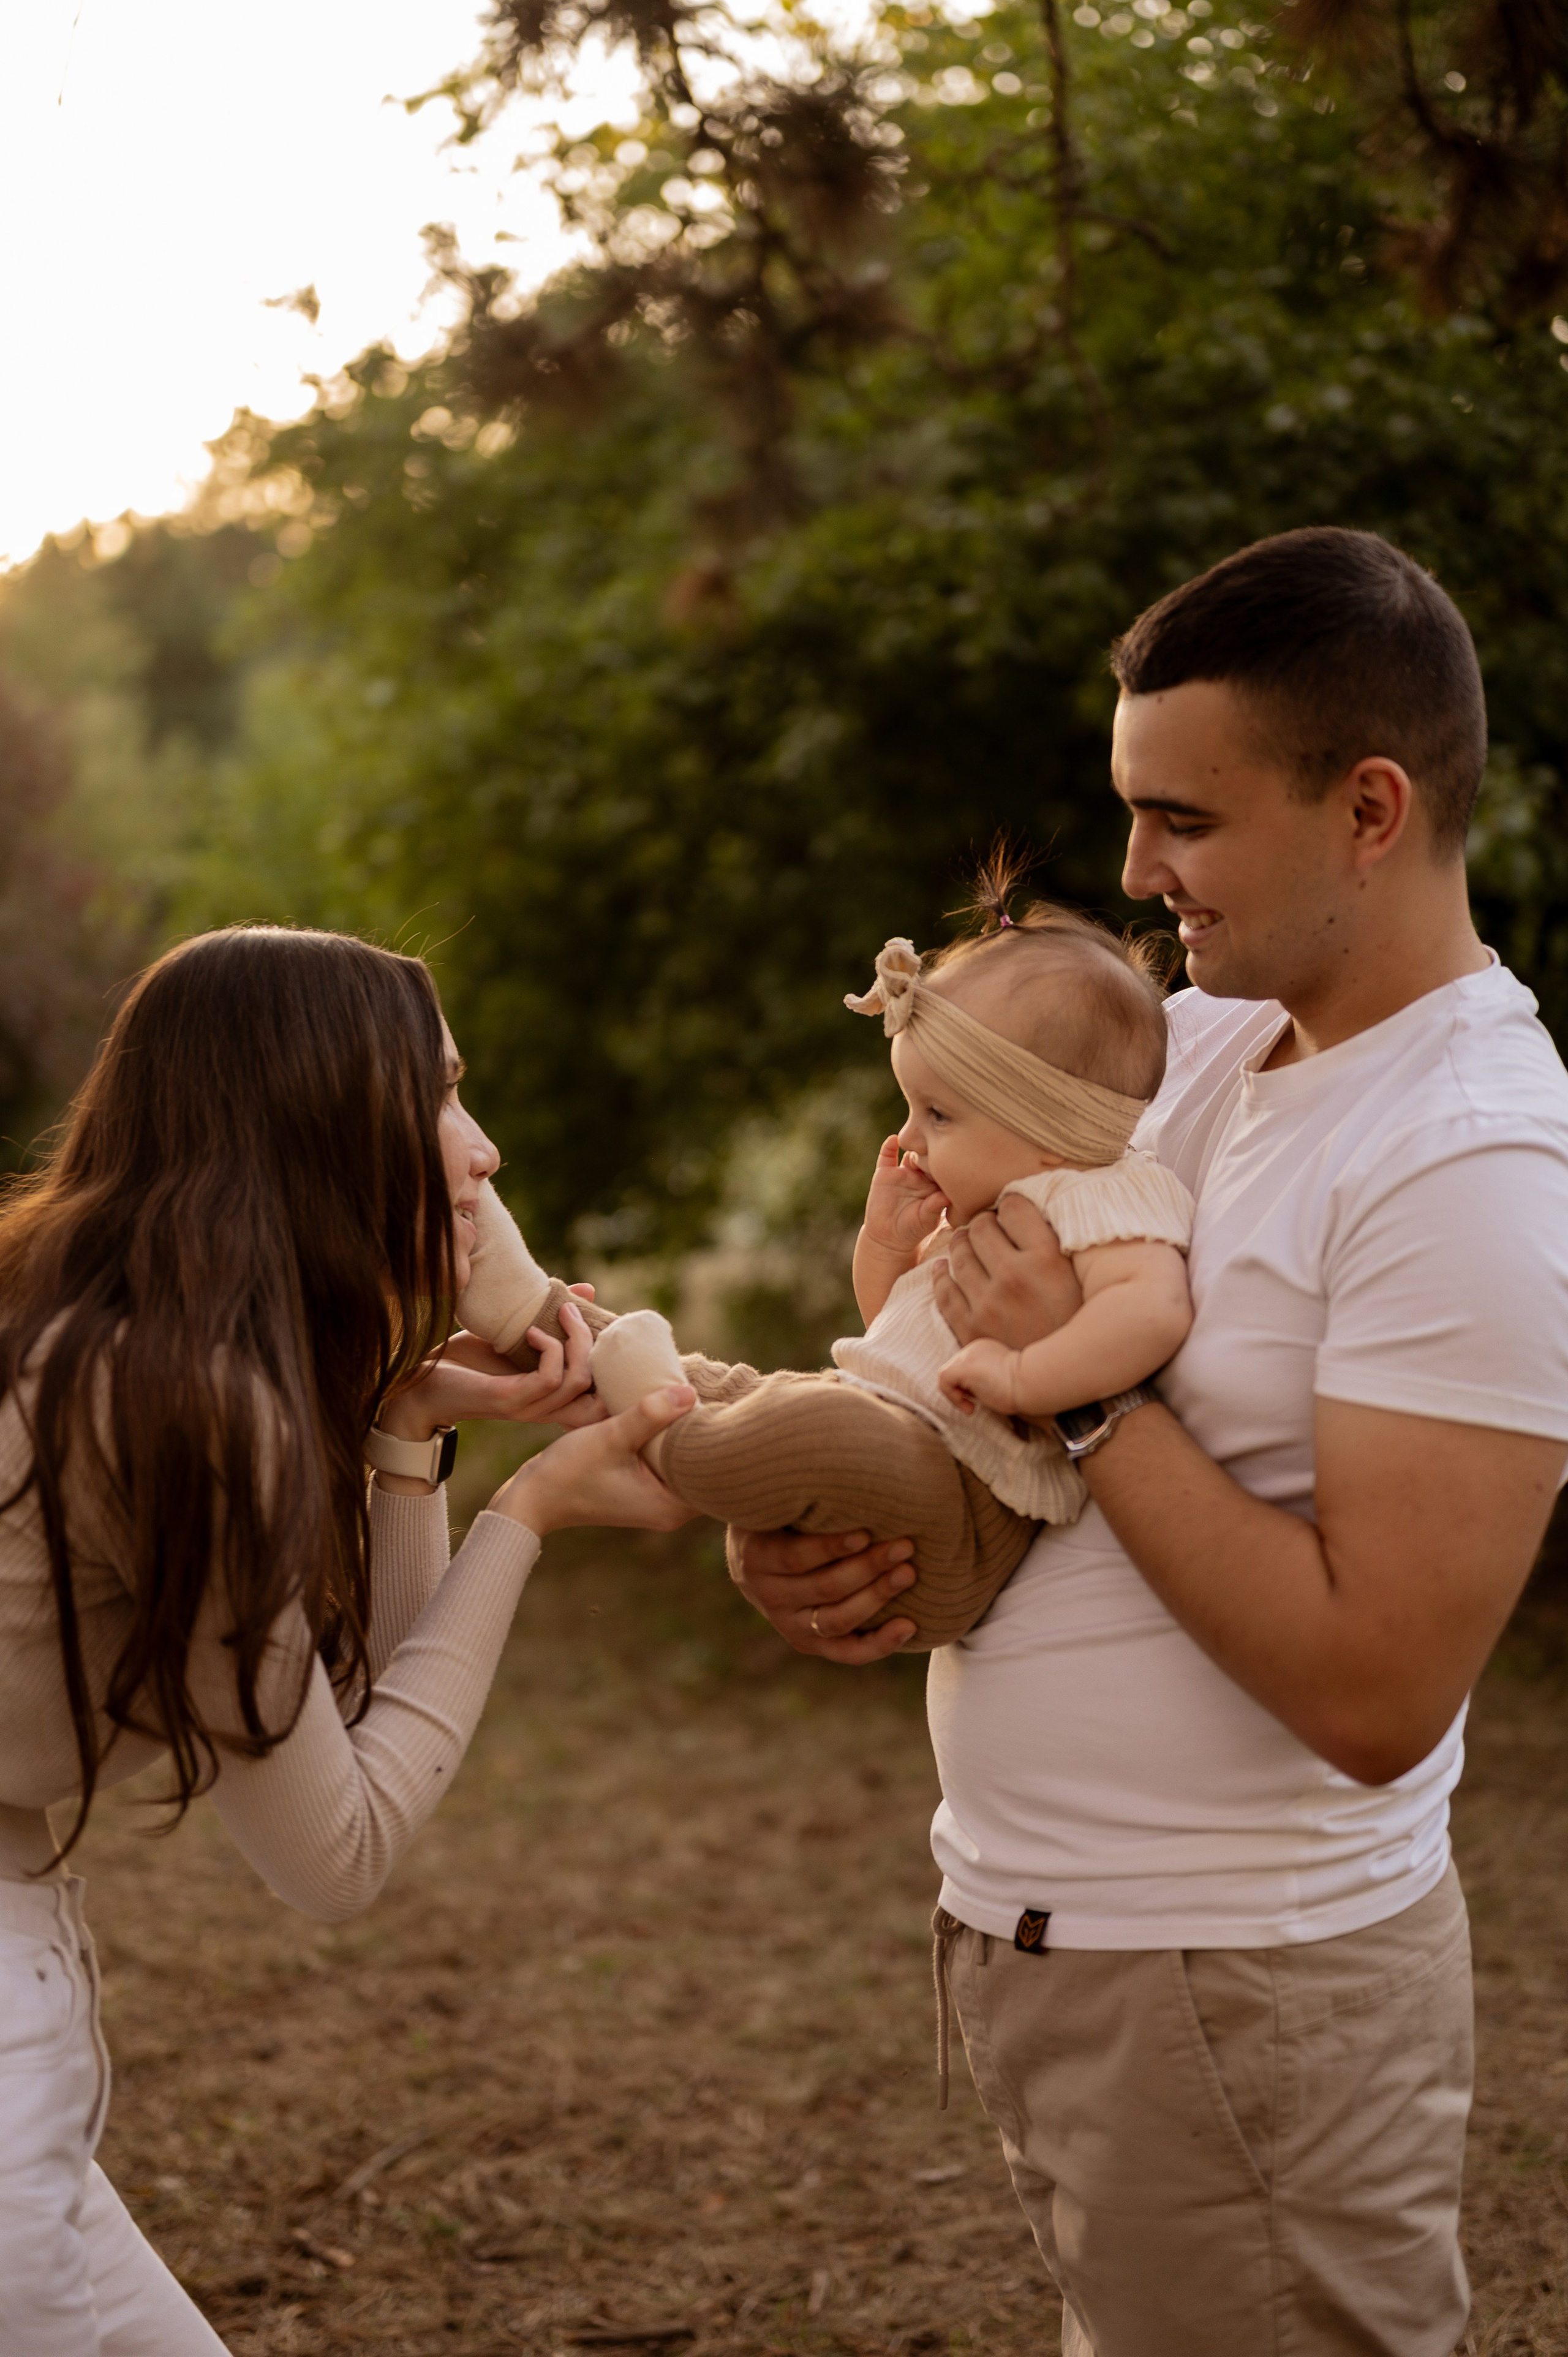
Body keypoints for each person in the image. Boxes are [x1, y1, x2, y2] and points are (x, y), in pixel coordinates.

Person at [727, 527, 1568, 2355]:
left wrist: (1091, 1393)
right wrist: (839, 1534)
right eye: (1128, 810)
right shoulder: (1172, 1055)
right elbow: (960, 1348)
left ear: (1365, 806)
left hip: (1240, 1984)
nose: (1132, 869)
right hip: (1063, 1948)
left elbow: (1374, 1690)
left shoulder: (1471, 1160)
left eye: (1180, 816)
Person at [0, 926, 694, 2356]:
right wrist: (531, 1513)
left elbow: (350, 1705)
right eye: (435, 1094)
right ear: (315, 1118)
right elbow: (338, 1848)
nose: (482, 1147)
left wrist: (404, 1433)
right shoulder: (183, 1406)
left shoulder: (113, 1339)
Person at [458, 879, 1194, 1646]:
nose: (910, 1136)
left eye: (938, 1113)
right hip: (889, 1433)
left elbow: (1149, 1312)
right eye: (911, 1107)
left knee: (803, 1418)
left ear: (1050, 1127)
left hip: (960, 1509)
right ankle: (524, 1308)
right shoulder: (989, 1213)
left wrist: (1024, 1382)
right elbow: (889, 1326)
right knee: (736, 1385)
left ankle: (660, 1431)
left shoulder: (1108, 1199)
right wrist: (886, 1245)